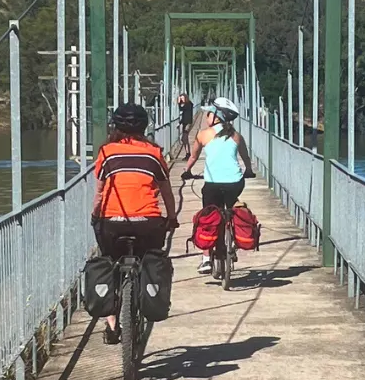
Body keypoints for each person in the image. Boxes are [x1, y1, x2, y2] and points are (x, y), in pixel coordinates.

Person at [92, 102, 178, 335]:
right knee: (148, 258)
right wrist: (172, 218)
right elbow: (167, 192)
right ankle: (144, 298)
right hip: (148, 222)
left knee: (109, 260)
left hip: (111, 222)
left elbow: (100, 191)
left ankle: (111, 322)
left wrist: (95, 215)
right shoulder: (154, 154)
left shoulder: (106, 153)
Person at [185, 97, 253, 266]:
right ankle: (234, 238)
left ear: (215, 116)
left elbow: (193, 157)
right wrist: (249, 171)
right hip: (235, 183)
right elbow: (245, 158)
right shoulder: (236, 136)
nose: (207, 117)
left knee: (209, 215)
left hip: (213, 185)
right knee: (231, 207)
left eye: (208, 114)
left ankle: (206, 259)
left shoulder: (203, 135)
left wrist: (187, 171)